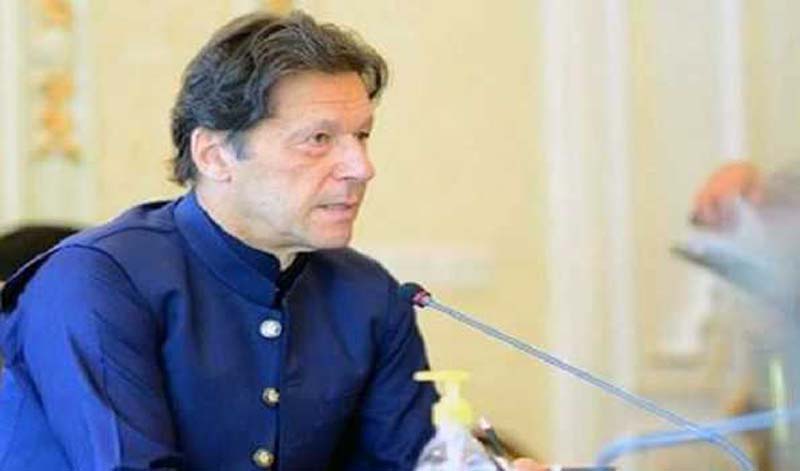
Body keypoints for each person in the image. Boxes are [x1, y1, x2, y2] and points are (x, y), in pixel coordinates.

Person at [0, 11, 541, 471]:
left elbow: (412, 460)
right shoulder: (93, 280)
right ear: (214, 155)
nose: (361, 167)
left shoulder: (369, 294)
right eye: (319, 139)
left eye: (362, 136)